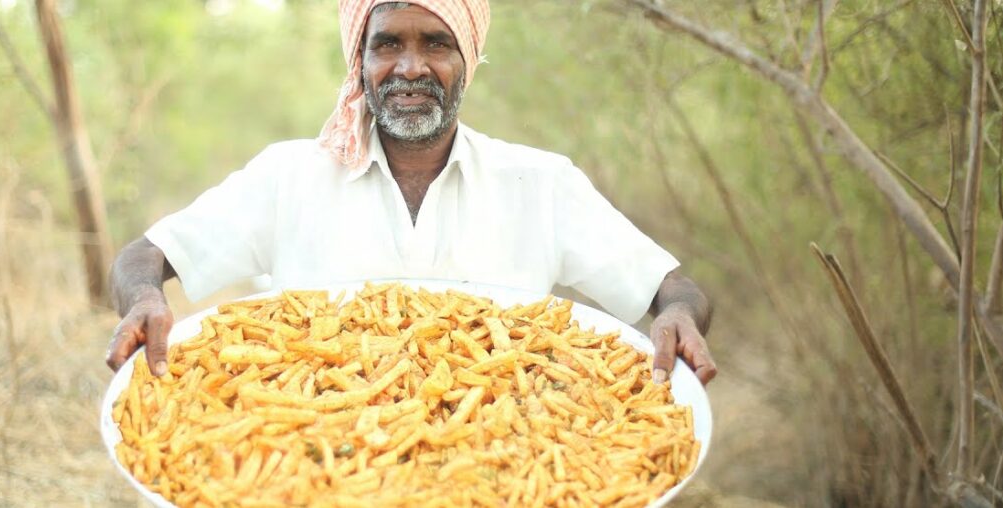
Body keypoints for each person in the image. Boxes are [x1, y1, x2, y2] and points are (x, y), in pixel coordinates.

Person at [105, 0, 717, 386]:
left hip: (497, 468)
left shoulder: (541, 184)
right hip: (319, 467)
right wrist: (142, 300)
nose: (411, 67)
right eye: (389, 42)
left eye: (436, 43)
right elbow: (145, 256)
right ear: (360, 60)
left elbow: (673, 289)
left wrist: (681, 316)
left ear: (467, 58)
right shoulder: (287, 177)